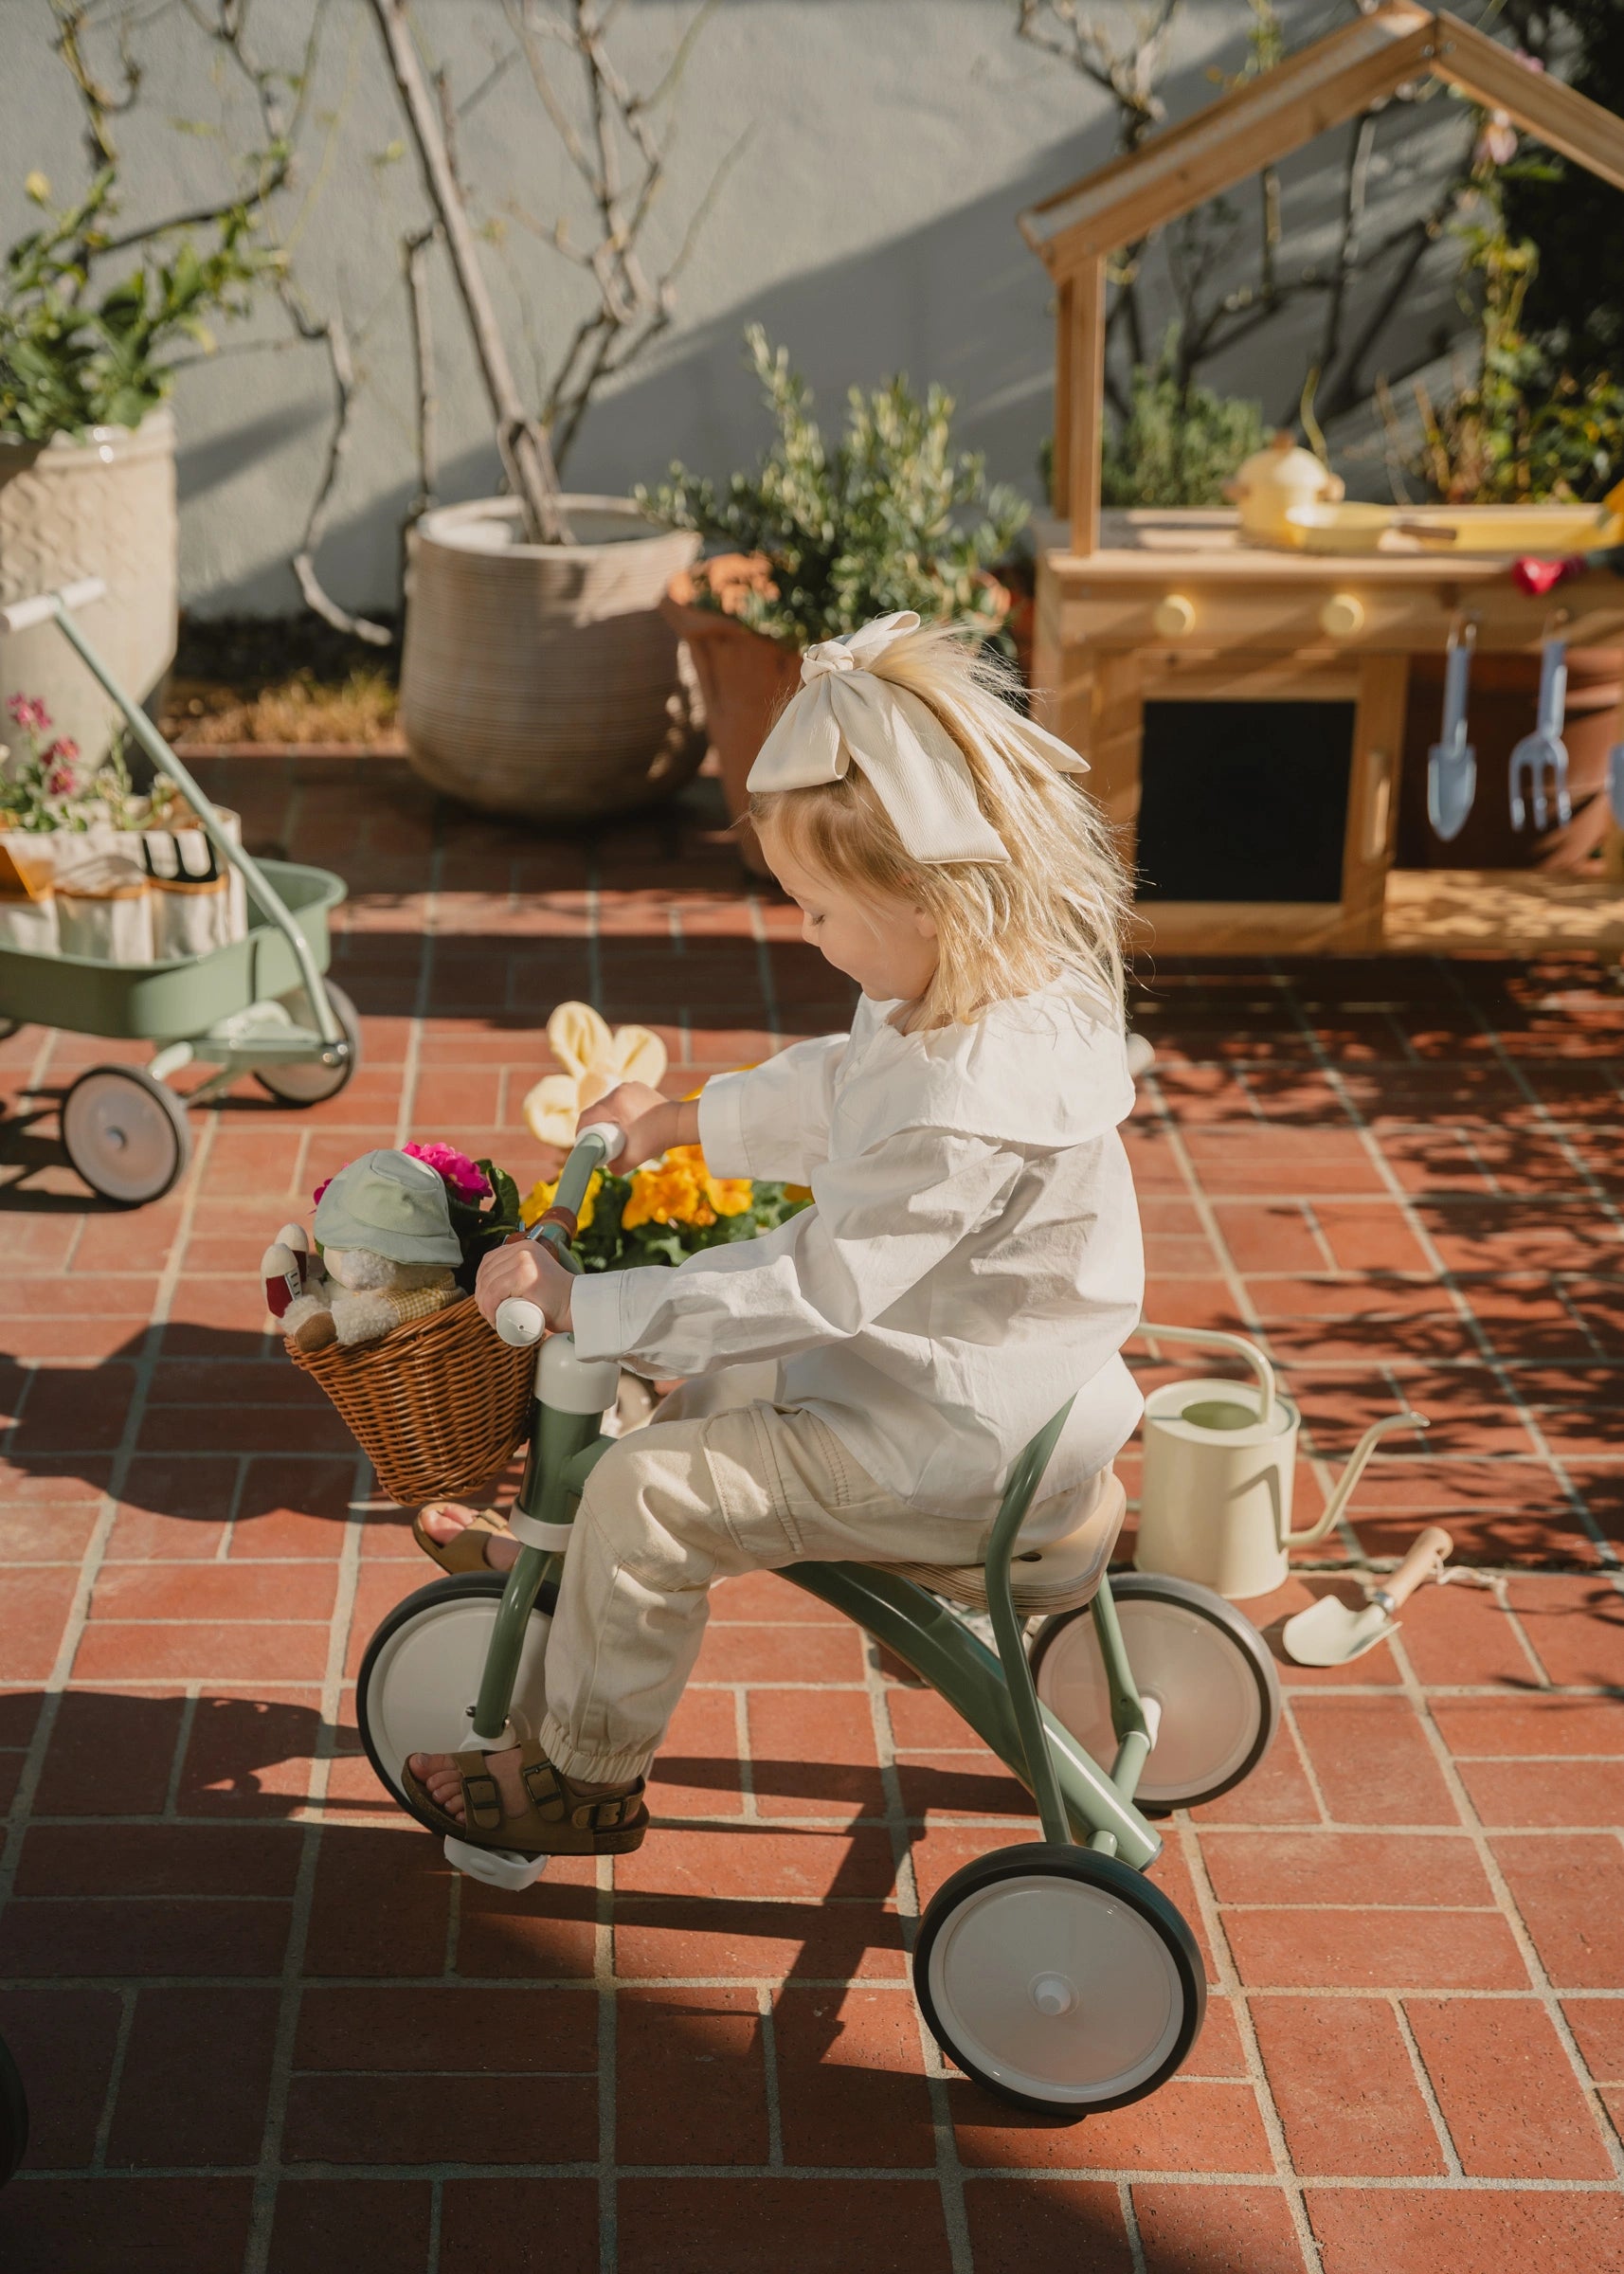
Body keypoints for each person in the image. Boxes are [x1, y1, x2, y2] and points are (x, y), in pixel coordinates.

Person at [406, 610, 1145, 1859]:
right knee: (716, 1378)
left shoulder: (956, 1105)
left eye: (816, 908)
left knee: (651, 1491)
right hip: (993, 1383)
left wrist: (596, 1303)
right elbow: (840, 1092)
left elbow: (816, 1284)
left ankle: (583, 1775)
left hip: (941, 1442)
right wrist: (681, 1121)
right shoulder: (983, 996)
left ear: (922, 900)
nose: (803, 930)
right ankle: (584, 1567)